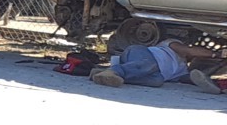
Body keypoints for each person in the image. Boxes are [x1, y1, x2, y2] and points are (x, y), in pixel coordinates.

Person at [91, 38, 221, 91]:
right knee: (150, 65)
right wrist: (216, 54)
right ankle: (114, 71)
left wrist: (203, 80)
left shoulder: (182, 69)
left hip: (149, 70)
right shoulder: (173, 44)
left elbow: (189, 77)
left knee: (157, 81)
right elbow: (189, 51)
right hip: (140, 54)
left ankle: (104, 74)